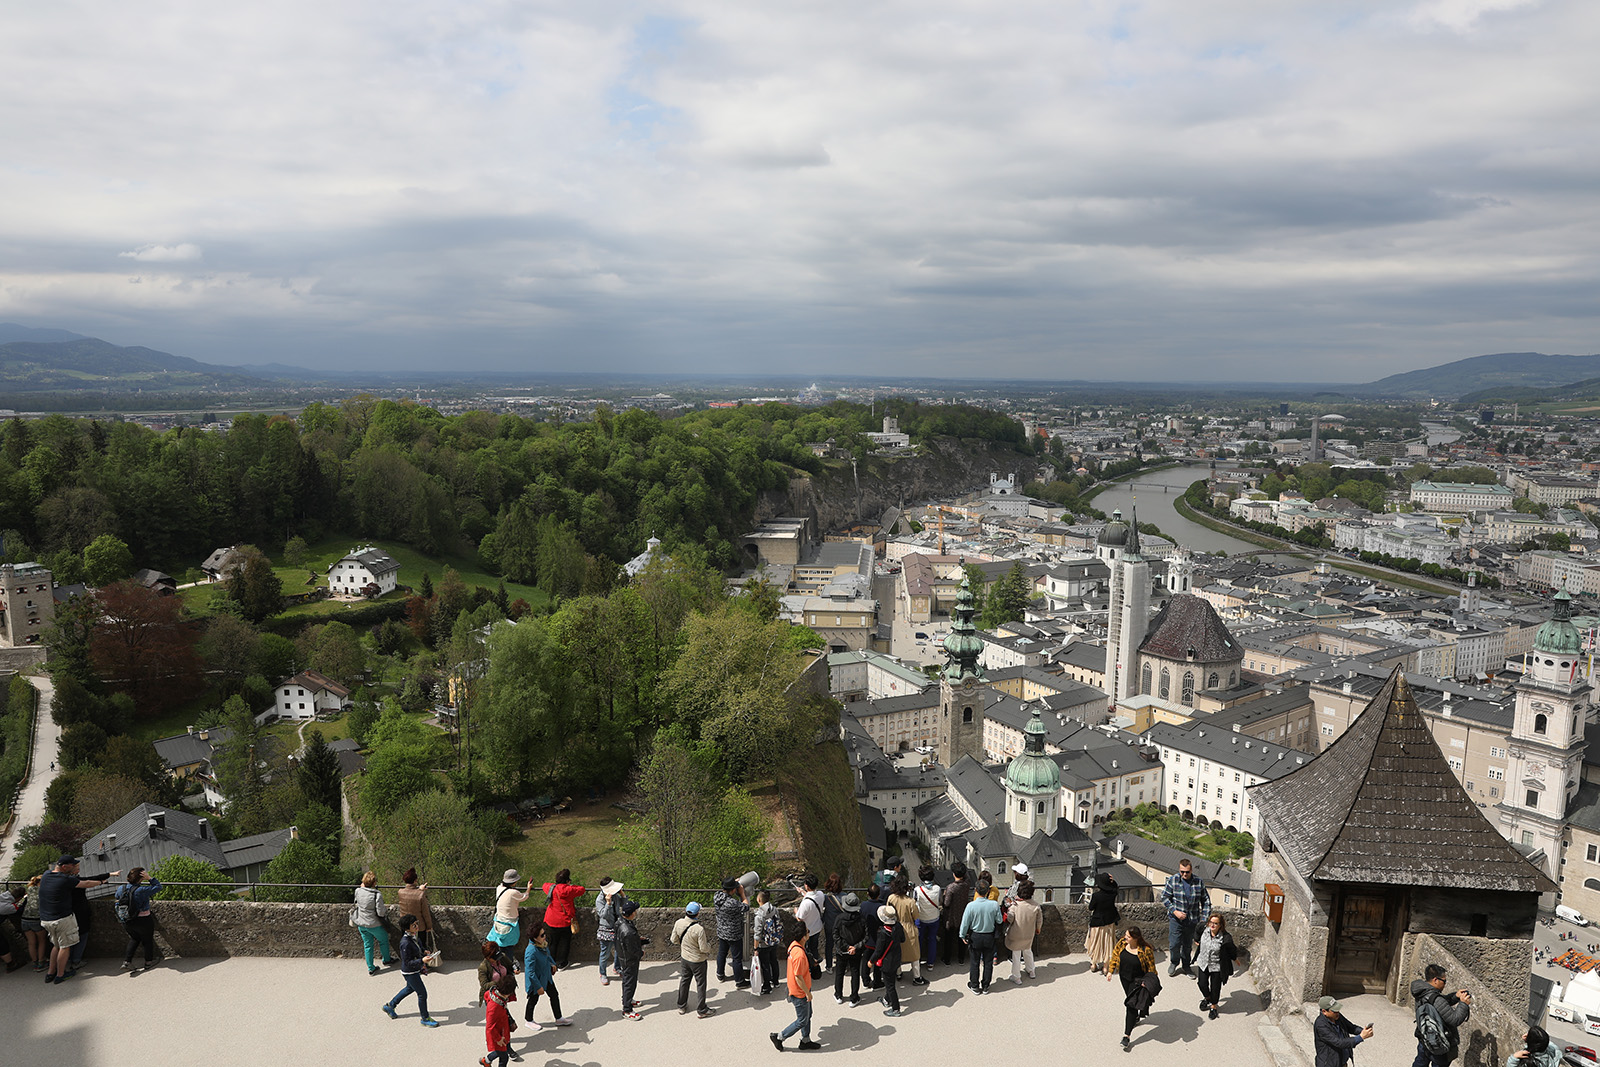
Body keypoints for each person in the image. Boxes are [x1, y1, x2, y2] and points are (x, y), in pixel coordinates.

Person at [39, 856, 116, 984]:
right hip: (61, 919)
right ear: (64, 867)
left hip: (46, 919)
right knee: (65, 947)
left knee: (56, 946)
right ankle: (60, 975)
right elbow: (85, 884)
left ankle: (50, 973)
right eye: (72, 865)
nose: (74, 867)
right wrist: (102, 882)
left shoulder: (46, 875)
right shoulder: (65, 879)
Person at [382, 914, 440, 1027]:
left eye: (417, 923)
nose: (417, 926)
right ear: (406, 928)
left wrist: (424, 952)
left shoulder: (414, 936)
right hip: (410, 972)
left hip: (413, 970)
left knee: (409, 988)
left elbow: (418, 947)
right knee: (422, 994)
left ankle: (390, 1005)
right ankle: (425, 1018)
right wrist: (422, 960)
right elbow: (407, 962)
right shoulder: (405, 943)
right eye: (414, 925)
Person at [1410, 963, 1472, 1067]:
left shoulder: (1422, 992)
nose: (1445, 984)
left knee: (1420, 1063)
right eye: (1444, 981)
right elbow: (1454, 1019)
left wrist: (1455, 996)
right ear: (1435, 980)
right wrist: (1463, 1004)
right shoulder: (1436, 998)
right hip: (1439, 1043)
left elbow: (1438, 1004)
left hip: (1424, 1037)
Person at [770, 925, 821, 1050]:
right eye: (808, 932)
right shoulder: (799, 955)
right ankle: (780, 1037)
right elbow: (798, 976)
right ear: (804, 937)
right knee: (802, 1020)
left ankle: (805, 1040)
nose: (809, 933)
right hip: (799, 992)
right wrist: (807, 993)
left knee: (808, 1015)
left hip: (797, 989)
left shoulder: (794, 946)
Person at [1108, 926, 1157, 1051]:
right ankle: (1136, 1015)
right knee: (1131, 1001)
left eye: (1128, 936)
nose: (1125, 938)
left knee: (1131, 1005)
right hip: (1124, 978)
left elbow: (1152, 969)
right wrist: (1110, 971)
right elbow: (1114, 955)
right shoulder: (1122, 943)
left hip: (1137, 982)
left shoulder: (1146, 951)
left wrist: (1149, 983)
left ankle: (1126, 1036)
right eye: (1126, 935)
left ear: (1136, 938)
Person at [67, 858, 117, 973]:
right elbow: (90, 880)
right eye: (77, 869)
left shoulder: (64, 881)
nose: (79, 871)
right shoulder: (75, 881)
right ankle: (76, 961)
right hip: (80, 912)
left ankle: (69, 960)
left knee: (71, 937)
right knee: (82, 935)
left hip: (69, 912)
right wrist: (109, 876)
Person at [1162, 858, 1210, 977]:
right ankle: (1174, 962)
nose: (1184, 874)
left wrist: (1204, 920)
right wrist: (1174, 911)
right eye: (1182, 871)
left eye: (1187, 872)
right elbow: (1164, 898)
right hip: (1176, 920)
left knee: (1187, 945)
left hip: (1192, 920)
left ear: (1191, 870)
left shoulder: (1198, 882)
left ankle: (1186, 966)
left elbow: (1206, 901)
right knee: (1174, 944)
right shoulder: (1173, 880)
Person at [671, 901, 717, 1018]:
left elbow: (673, 940)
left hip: (685, 958)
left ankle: (681, 1005)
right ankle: (702, 1009)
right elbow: (703, 948)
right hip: (698, 961)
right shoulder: (699, 929)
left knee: (684, 981)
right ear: (697, 914)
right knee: (701, 984)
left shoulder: (679, 923)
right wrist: (709, 947)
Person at [523, 924, 574, 1028]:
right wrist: (538, 987)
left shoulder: (543, 945)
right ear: (534, 938)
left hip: (546, 977)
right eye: (542, 935)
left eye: (544, 933)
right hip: (536, 981)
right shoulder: (531, 951)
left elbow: (548, 955)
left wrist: (552, 964)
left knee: (554, 995)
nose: (544, 936)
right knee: (533, 1000)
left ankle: (559, 1018)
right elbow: (530, 972)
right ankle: (528, 1020)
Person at [116, 867, 164, 974]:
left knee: (134, 938)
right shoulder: (141, 890)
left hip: (127, 919)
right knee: (147, 940)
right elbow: (158, 887)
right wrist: (149, 878)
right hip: (143, 919)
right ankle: (148, 962)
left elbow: (117, 897)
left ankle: (127, 961)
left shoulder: (121, 889)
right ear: (141, 878)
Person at [959, 879, 1002, 994]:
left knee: (974, 962)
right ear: (988, 891)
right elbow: (999, 920)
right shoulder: (994, 904)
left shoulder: (971, 906)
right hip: (989, 936)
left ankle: (974, 985)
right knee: (988, 962)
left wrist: (962, 935)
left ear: (976, 890)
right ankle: (986, 985)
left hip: (975, 936)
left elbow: (965, 923)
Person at [1194, 913, 1237, 1019]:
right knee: (1202, 984)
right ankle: (1207, 998)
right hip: (1203, 962)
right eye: (1211, 922)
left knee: (1215, 987)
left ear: (1220, 925)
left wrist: (1235, 958)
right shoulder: (1203, 928)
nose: (1212, 925)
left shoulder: (1225, 937)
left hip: (1216, 965)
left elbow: (1231, 949)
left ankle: (1213, 1006)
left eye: (1216, 923)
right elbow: (1197, 930)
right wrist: (1196, 940)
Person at [540, 869, 586, 969]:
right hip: (565, 920)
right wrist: (570, 885)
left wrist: (555, 885)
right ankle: (562, 963)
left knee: (552, 942)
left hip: (552, 919)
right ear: (567, 880)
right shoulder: (569, 890)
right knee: (565, 941)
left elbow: (544, 885)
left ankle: (551, 963)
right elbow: (582, 889)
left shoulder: (552, 888)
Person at [353, 871, 394, 976]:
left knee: (368, 945)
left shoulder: (358, 891)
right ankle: (386, 960)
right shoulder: (376, 894)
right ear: (374, 883)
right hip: (374, 924)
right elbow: (380, 912)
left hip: (361, 923)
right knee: (383, 940)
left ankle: (371, 968)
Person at [1314, 995, 1373, 1067]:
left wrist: (1364, 1030)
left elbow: (1351, 1027)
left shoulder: (1337, 1016)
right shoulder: (1321, 1026)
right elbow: (1339, 1042)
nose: (1337, 1012)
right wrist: (1361, 1037)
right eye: (1334, 1011)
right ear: (1324, 1011)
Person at [869, 903, 905, 1017]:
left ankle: (895, 1009)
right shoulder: (898, 926)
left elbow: (878, 951)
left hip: (887, 962)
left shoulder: (882, 933)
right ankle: (887, 999)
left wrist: (871, 961)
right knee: (891, 981)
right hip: (896, 958)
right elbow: (903, 939)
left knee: (890, 986)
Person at [714, 877, 751, 987]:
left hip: (722, 931)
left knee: (722, 954)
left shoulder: (717, 896)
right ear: (733, 890)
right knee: (736, 958)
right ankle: (740, 981)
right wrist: (742, 893)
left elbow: (727, 889)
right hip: (734, 934)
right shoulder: (732, 903)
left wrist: (733, 882)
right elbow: (746, 906)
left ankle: (720, 974)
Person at [887, 874, 923, 985]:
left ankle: (898, 973)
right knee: (914, 954)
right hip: (909, 927)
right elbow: (916, 917)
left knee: (898, 952)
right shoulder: (910, 901)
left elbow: (888, 912)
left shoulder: (891, 898)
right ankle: (917, 977)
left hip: (895, 927)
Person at [832, 892, 867, 1006]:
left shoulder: (839, 918)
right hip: (856, 951)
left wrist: (845, 946)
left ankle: (838, 995)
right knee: (855, 972)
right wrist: (855, 947)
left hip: (842, 950)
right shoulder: (861, 919)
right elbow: (866, 936)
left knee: (839, 973)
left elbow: (835, 935)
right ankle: (854, 997)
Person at [1004, 881, 1042, 983]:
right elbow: (1039, 920)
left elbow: (1010, 919)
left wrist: (1009, 906)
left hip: (1016, 934)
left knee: (1016, 954)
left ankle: (1016, 976)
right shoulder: (1036, 905)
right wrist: (1038, 928)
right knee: (1028, 950)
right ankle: (1031, 970)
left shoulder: (1015, 906)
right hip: (1029, 933)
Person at [491, 869, 534, 956]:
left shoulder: (499, 888)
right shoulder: (513, 892)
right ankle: (508, 964)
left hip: (499, 920)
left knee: (501, 944)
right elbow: (524, 897)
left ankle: (501, 963)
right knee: (509, 946)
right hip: (510, 922)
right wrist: (528, 889)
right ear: (514, 881)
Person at [617, 898, 647, 1019]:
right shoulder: (628, 931)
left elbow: (623, 941)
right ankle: (627, 1009)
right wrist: (640, 953)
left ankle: (627, 999)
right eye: (635, 910)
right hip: (629, 960)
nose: (636, 912)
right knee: (630, 982)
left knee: (627, 981)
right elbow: (632, 950)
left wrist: (637, 940)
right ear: (632, 913)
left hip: (623, 957)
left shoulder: (619, 922)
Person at [1086, 872, 1120, 974]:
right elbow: (1116, 888)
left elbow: (1090, 907)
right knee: (1107, 944)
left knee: (1095, 943)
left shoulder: (1096, 896)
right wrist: (1112, 881)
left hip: (1097, 922)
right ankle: (1106, 967)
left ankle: (1093, 964)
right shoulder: (1112, 894)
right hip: (1109, 921)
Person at [481, 972, 518, 1067]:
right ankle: (487, 1061)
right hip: (498, 1035)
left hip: (501, 1031)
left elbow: (485, 995)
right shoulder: (494, 1007)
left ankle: (487, 1061)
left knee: (500, 1051)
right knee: (504, 1057)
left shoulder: (495, 994)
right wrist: (498, 1039)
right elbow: (489, 1026)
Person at [595, 878, 627, 983]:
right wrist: (608, 904)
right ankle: (602, 973)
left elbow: (625, 904)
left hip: (617, 926)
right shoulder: (600, 900)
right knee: (605, 952)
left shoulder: (615, 896)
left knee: (619, 949)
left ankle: (617, 968)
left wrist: (623, 895)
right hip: (606, 929)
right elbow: (603, 915)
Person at [794, 872, 826, 978]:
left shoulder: (805, 903)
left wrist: (796, 911)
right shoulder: (821, 894)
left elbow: (800, 918)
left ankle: (810, 969)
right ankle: (816, 970)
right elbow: (813, 898)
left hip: (808, 931)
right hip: (817, 927)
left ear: (806, 885)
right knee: (814, 948)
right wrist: (804, 893)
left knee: (807, 952)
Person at [940, 863, 972, 967]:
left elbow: (947, 903)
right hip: (962, 915)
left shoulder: (951, 887)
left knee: (948, 939)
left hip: (951, 917)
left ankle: (947, 959)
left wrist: (944, 895)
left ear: (954, 874)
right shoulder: (967, 884)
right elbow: (966, 877)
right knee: (961, 937)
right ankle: (961, 959)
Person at [753, 888, 783, 994]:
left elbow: (757, 935)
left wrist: (755, 948)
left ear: (759, 899)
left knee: (765, 965)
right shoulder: (774, 909)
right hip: (774, 940)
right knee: (774, 961)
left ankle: (767, 986)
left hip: (764, 944)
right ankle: (775, 981)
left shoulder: (759, 915)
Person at [396, 868, 434, 953]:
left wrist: (419, 890)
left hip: (405, 925)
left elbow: (410, 896)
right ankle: (421, 963)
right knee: (421, 946)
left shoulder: (400, 892)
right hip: (418, 926)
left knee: (407, 947)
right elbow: (425, 912)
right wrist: (429, 926)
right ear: (415, 880)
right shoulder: (420, 894)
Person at [912, 866, 942, 972]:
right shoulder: (938, 889)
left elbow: (914, 903)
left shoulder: (917, 890)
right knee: (932, 939)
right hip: (934, 918)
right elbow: (940, 901)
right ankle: (930, 963)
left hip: (921, 918)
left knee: (919, 940)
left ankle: (918, 960)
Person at [19, 875, 47, 972]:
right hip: (36, 919)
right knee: (42, 941)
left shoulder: (30, 889)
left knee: (31, 943)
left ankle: (34, 962)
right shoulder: (43, 891)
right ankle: (41, 962)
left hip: (25, 919)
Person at [821, 873, 845, 969]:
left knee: (829, 945)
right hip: (841, 925)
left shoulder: (825, 897)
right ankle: (841, 964)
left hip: (829, 924)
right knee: (840, 944)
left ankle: (829, 966)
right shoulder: (844, 896)